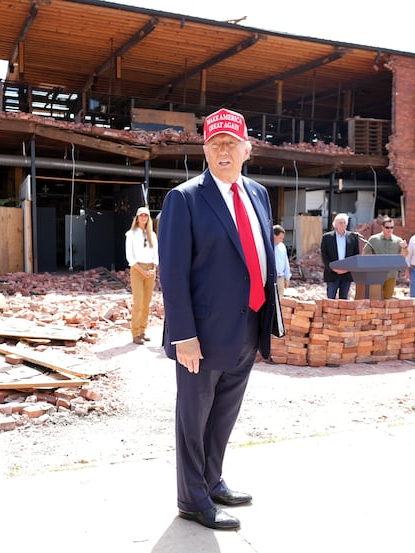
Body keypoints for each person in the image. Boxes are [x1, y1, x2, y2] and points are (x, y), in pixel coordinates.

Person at [158, 108, 277, 531]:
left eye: (230, 143)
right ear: (205, 151)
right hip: (201, 336)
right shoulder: (185, 199)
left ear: (248, 149)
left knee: (224, 414)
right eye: (214, 145)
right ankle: (192, 499)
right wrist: (184, 336)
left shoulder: (259, 194)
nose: (222, 151)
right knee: (194, 418)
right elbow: (171, 274)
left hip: (248, 324)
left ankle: (212, 480)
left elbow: (259, 257)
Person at [125, 206, 159, 345]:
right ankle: (135, 333)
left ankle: (142, 330)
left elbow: (156, 254)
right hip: (138, 269)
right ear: (137, 218)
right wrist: (142, 271)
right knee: (138, 302)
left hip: (150, 270)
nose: (143, 218)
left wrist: (153, 268)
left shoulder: (152, 235)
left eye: (146, 216)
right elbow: (130, 257)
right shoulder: (131, 234)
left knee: (146, 303)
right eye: (141, 216)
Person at [363, 217, 407, 299]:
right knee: (375, 299)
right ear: (382, 227)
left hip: (391, 275)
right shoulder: (374, 239)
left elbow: (404, 256)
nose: (389, 229)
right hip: (376, 275)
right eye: (387, 227)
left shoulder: (398, 241)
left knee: (387, 300)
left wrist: (404, 248)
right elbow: (365, 253)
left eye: (391, 227)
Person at [320, 213, 360, 299]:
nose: (342, 225)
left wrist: (348, 269)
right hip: (332, 273)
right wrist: (333, 268)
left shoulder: (353, 237)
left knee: (344, 300)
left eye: (344, 222)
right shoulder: (327, 237)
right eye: (340, 223)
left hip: (347, 274)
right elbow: (324, 255)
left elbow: (356, 255)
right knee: (330, 299)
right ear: (335, 224)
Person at [273, 224, 291, 299]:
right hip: (272, 277)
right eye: (280, 238)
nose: (281, 240)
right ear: (274, 235)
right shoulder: (268, 246)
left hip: (280, 278)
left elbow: (286, 263)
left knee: (279, 300)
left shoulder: (282, 246)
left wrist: (287, 278)